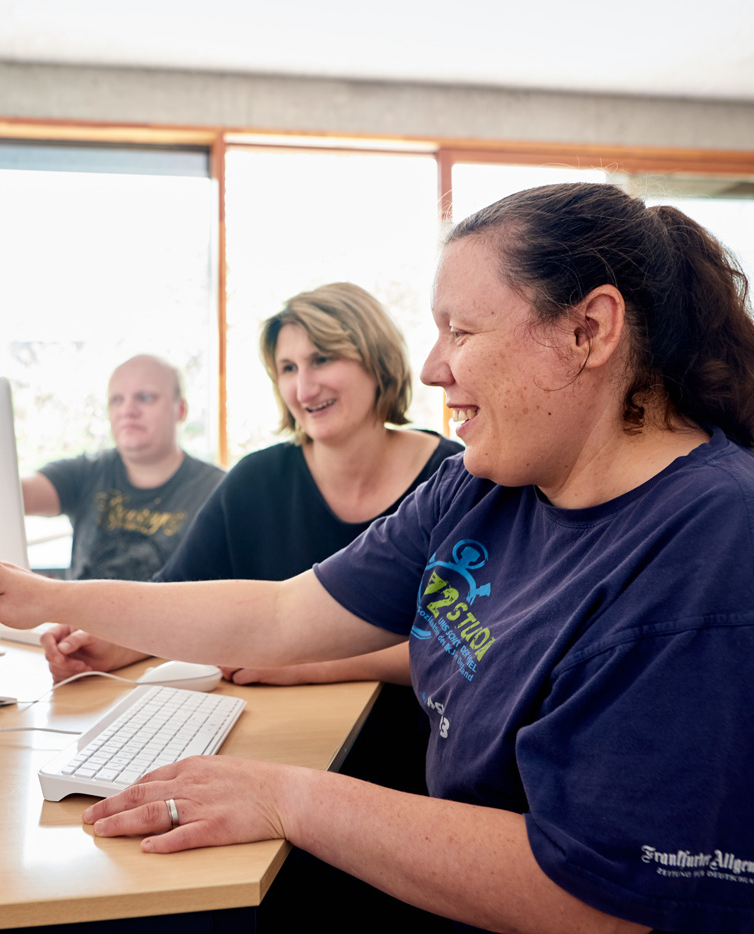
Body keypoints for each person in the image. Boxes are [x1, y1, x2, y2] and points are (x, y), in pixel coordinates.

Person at [0, 183, 754, 934]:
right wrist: (41, 596)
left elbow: (606, 902)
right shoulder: (489, 485)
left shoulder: (721, 545)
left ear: (589, 331)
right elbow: (283, 615)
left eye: (463, 331)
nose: (435, 367)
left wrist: (290, 799)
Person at [42, 283, 461, 698]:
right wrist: (111, 645)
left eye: (322, 359)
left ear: (378, 361)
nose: (304, 389)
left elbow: (462, 643)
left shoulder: (453, 480)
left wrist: (310, 663)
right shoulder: (256, 479)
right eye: (288, 368)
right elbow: (175, 595)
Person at [21, 354, 224, 582]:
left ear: (181, 410)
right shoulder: (86, 473)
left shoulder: (218, 491)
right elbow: (13, 494)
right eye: (117, 400)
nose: (127, 410)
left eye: (145, 398)